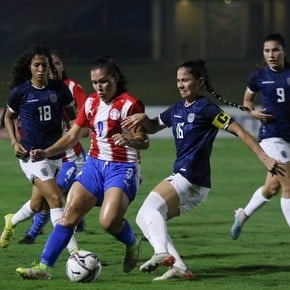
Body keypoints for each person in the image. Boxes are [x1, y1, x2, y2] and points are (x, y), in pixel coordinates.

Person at [120, 59, 284, 281]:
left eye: (186, 79)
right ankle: (178, 267)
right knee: (147, 218)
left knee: (148, 211)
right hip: (192, 184)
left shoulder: (207, 109)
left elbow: (241, 132)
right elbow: (154, 126)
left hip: (190, 178)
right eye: (178, 80)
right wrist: (143, 119)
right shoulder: (177, 109)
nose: (181, 84)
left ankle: (161, 253)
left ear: (200, 82)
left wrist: (264, 157)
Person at [16, 56, 149, 280]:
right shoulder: (90, 103)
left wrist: (130, 140)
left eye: (104, 81)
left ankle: (133, 242)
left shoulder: (130, 104)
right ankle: (43, 268)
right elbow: (72, 135)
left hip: (122, 168)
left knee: (108, 222)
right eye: (95, 82)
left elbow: (144, 141)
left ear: (115, 78)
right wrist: (47, 152)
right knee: (69, 215)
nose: (99, 87)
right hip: (94, 167)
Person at [0, 45, 78, 254]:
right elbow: (8, 116)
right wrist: (14, 142)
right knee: (54, 199)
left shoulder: (59, 89)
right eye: (37, 65)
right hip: (31, 156)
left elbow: (73, 117)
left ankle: (11, 221)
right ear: (30, 67)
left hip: (54, 154)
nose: (41, 69)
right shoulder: (21, 92)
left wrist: (74, 130)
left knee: (37, 205)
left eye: (44, 65)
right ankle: (75, 254)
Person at [18, 50, 88, 244]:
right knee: (42, 201)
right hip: (47, 155)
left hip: (71, 156)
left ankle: (34, 234)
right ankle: (75, 218)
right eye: (51, 64)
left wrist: (77, 131)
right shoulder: (38, 91)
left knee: (54, 196)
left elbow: (83, 118)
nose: (53, 68)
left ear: (61, 66)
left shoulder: (71, 88)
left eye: (57, 63)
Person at [230, 33, 290, 240]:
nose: (271, 55)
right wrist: (252, 112)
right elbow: (247, 100)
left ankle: (243, 214)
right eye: (267, 51)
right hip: (271, 136)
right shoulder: (259, 76)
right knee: (288, 184)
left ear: (283, 51)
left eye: (275, 50)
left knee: (272, 187)